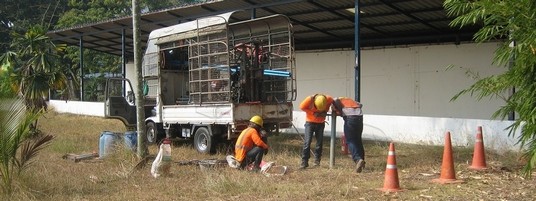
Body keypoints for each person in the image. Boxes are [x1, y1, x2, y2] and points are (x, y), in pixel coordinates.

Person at [299, 93, 334, 169]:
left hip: (321, 124)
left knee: (319, 143)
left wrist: (331, 110)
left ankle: (317, 161)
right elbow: (302, 107)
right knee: (307, 143)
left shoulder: (328, 99)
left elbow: (334, 102)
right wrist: (313, 113)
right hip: (310, 123)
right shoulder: (309, 100)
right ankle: (304, 162)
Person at [331, 97, 365, 173]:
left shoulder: (334, 100)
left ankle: (358, 159)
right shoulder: (347, 100)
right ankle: (362, 161)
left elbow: (336, 104)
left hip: (350, 118)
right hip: (359, 117)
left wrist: (338, 111)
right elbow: (360, 105)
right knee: (358, 140)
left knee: (350, 140)